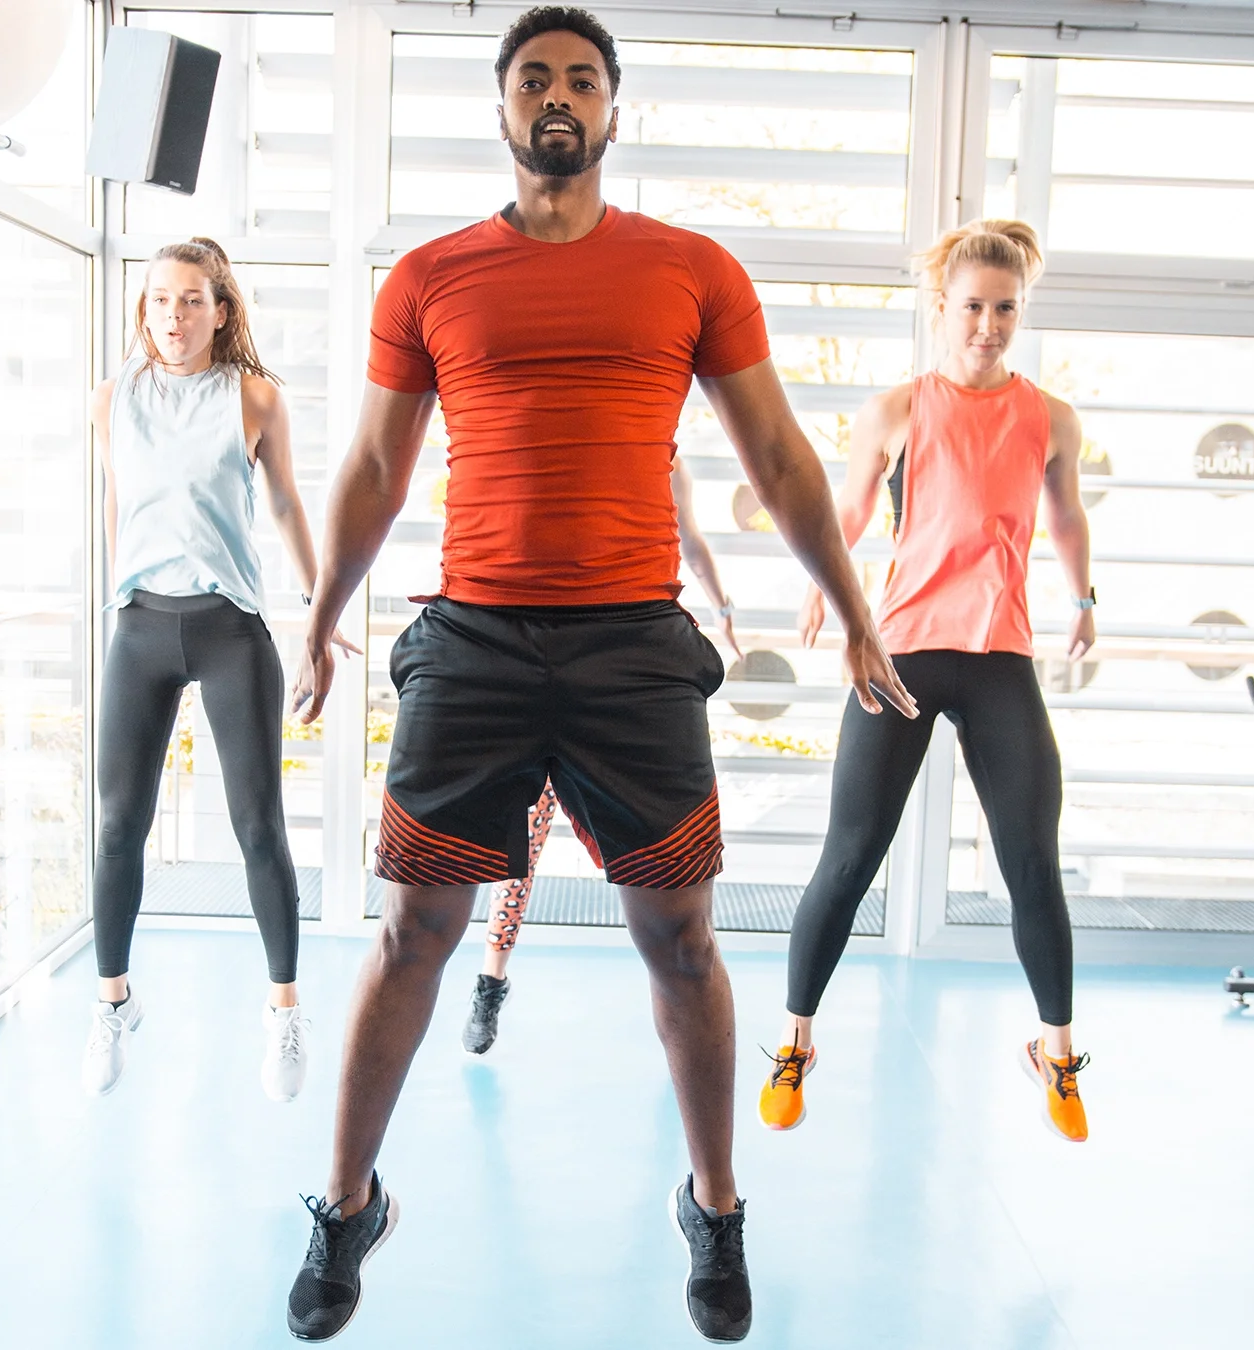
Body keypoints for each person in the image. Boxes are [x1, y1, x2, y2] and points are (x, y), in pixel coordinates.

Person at [280, 9, 913, 1343]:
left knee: (678, 939)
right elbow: (374, 469)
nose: (556, 97)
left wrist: (855, 611)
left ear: (614, 112)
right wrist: (318, 612)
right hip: (474, 641)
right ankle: (345, 1203)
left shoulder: (690, 268)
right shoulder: (431, 277)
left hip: (634, 645)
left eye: (580, 79)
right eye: (533, 79)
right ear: (502, 110)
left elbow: (783, 456)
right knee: (414, 930)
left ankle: (716, 1203)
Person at [770, 219, 1096, 1142]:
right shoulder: (898, 410)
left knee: (1032, 861)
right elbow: (849, 511)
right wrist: (820, 590)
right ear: (939, 308)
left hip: (1000, 657)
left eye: (1005, 309)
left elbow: (1066, 518)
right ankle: (796, 1040)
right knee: (851, 853)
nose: (987, 325)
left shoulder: (1051, 418)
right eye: (972, 307)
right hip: (901, 653)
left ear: (1019, 312)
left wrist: (1085, 597)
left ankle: (1057, 1052)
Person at [84, 239, 349, 1101]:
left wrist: (320, 608)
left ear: (221, 311)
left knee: (257, 827)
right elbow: (120, 503)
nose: (173, 316)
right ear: (145, 309)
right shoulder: (111, 400)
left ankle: (283, 1013)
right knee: (119, 824)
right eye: (160, 300)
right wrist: (115, 598)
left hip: (230, 630)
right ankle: (113, 1002)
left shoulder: (255, 398)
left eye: (192, 300)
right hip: (141, 628)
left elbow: (284, 503)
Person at [460, 460, 742, 1054]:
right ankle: (490, 981)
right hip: (529, 671)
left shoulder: (668, 469)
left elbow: (690, 538)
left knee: (661, 879)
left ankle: (677, 1002)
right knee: (520, 854)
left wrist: (722, 607)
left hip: (622, 682)